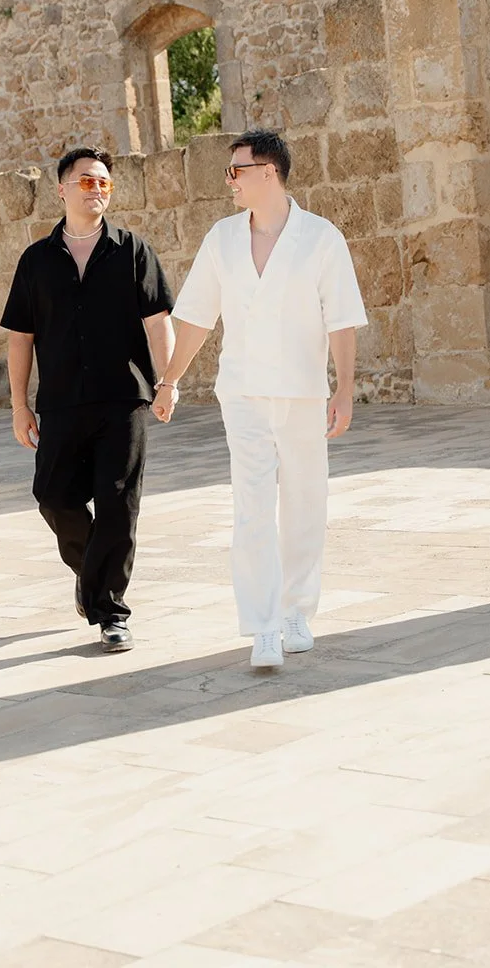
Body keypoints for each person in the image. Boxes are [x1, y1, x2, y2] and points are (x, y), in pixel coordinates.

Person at [152, 128, 367, 672]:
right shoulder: (222, 239)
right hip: (243, 393)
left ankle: (297, 611)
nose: (229, 181)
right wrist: (170, 379)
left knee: (304, 503)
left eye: (236, 171)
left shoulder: (321, 239)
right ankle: (263, 625)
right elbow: (197, 316)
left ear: (268, 173)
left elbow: (341, 319)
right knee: (251, 508)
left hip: (302, 393)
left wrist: (344, 388)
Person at [1, 146, 174, 652]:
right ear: (61, 189)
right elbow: (20, 338)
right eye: (84, 181)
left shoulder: (132, 250)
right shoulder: (36, 260)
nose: (95, 189)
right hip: (59, 403)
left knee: (119, 506)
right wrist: (19, 404)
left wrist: (168, 382)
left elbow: (158, 320)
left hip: (124, 400)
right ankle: (93, 574)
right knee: (53, 498)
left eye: (103, 182)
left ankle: (111, 613)